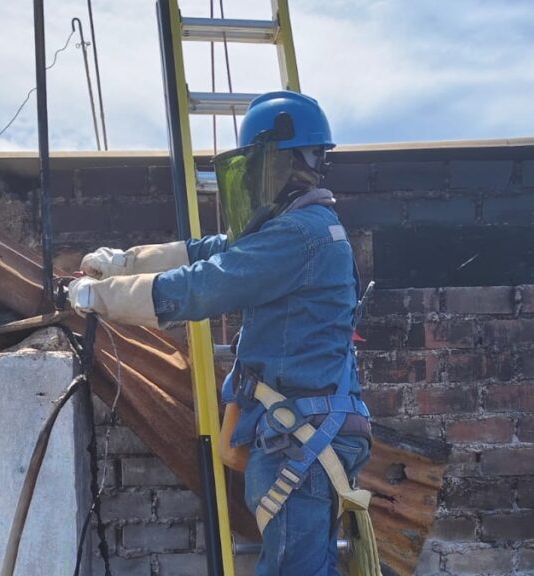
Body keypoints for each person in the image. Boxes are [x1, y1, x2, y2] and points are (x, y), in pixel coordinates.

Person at [68, 91, 373, 575]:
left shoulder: (300, 235)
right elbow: (206, 250)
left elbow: (204, 285)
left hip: (303, 437)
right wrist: (124, 263)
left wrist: (99, 298)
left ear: (278, 163)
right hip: (310, 431)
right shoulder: (301, 228)